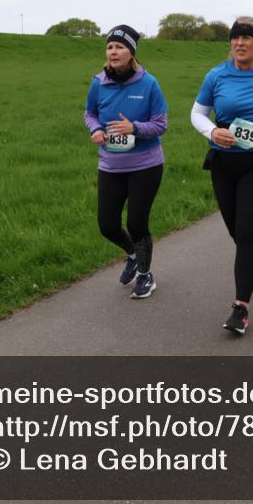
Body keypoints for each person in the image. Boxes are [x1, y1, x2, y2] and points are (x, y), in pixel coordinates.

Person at [191, 16, 253, 335]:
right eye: (235, 38)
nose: (240, 43)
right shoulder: (217, 75)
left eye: (246, 38)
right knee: (238, 233)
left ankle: (240, 308)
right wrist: (211, 132)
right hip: (224, 164)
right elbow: (197, 113)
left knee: (246, 233)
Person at [84, 25, 168, 299]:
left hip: (145, 165)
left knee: (136, 223)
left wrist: (134, 128)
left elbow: (160, 124)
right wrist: (96, 129)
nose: (113, 51)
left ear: (132, 53)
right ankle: (132, 254)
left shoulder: (149, 84)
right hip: (110, 166)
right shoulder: (98, 82)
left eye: (119, 47)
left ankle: (145, 275)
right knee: (107, 224)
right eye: (109, 47)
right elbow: (90, 113)